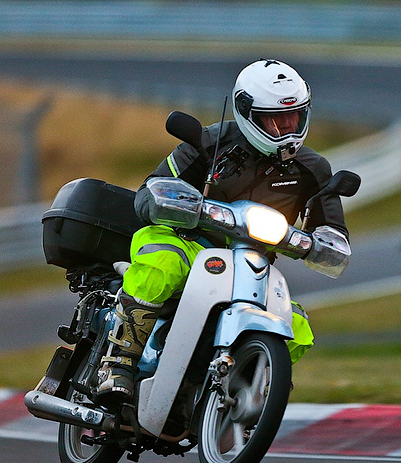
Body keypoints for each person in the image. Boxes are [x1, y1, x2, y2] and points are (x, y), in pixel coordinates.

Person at [96, 59, 350, 401]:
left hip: (250, 269)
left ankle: (243, 396)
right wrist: (181, 203)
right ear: (247, 113)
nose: (288, 128)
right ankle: (117, 364)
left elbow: (334, 237)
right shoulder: (208, 142)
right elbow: (149, 193)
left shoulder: (314, 169)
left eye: (295, 117)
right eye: (275, 120)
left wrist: (323, 246)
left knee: (297, 327)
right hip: (187, 242)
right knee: (163, 263)